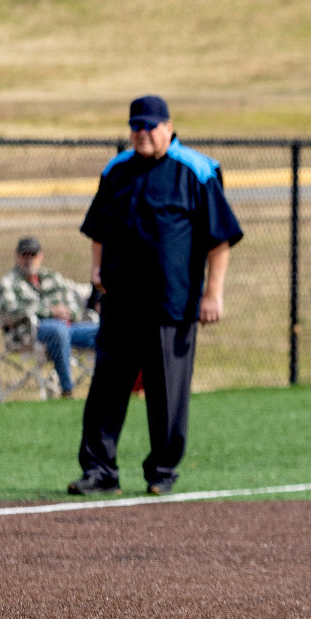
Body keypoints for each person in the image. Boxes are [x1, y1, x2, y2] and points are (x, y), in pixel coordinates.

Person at [68, 95, 243, 498]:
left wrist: (212, 295)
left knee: (167, 392)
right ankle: (99, 471)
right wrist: (96, 269)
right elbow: (99, 228)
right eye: (136, 127)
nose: (142, 134)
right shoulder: (117, 170)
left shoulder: (195, 171)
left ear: (168, 126)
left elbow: (220, 241)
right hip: (120, 303)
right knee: (106, 390)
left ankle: (162, 472)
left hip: (172, 304)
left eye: (149, 126)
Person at [0, 237, 99, 397]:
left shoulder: (52, 277)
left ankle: (111, 388)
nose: (28, 259)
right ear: (17, 256)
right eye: (24, 255)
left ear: (40, 256)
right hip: (30, 333)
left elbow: (74, 305)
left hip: (68, 328)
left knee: (104, 331)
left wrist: (69, 313)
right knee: (58, 330)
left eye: (32, 254)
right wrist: (50, 312)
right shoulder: (9, 282)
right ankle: (67, 389)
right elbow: (9, 311)